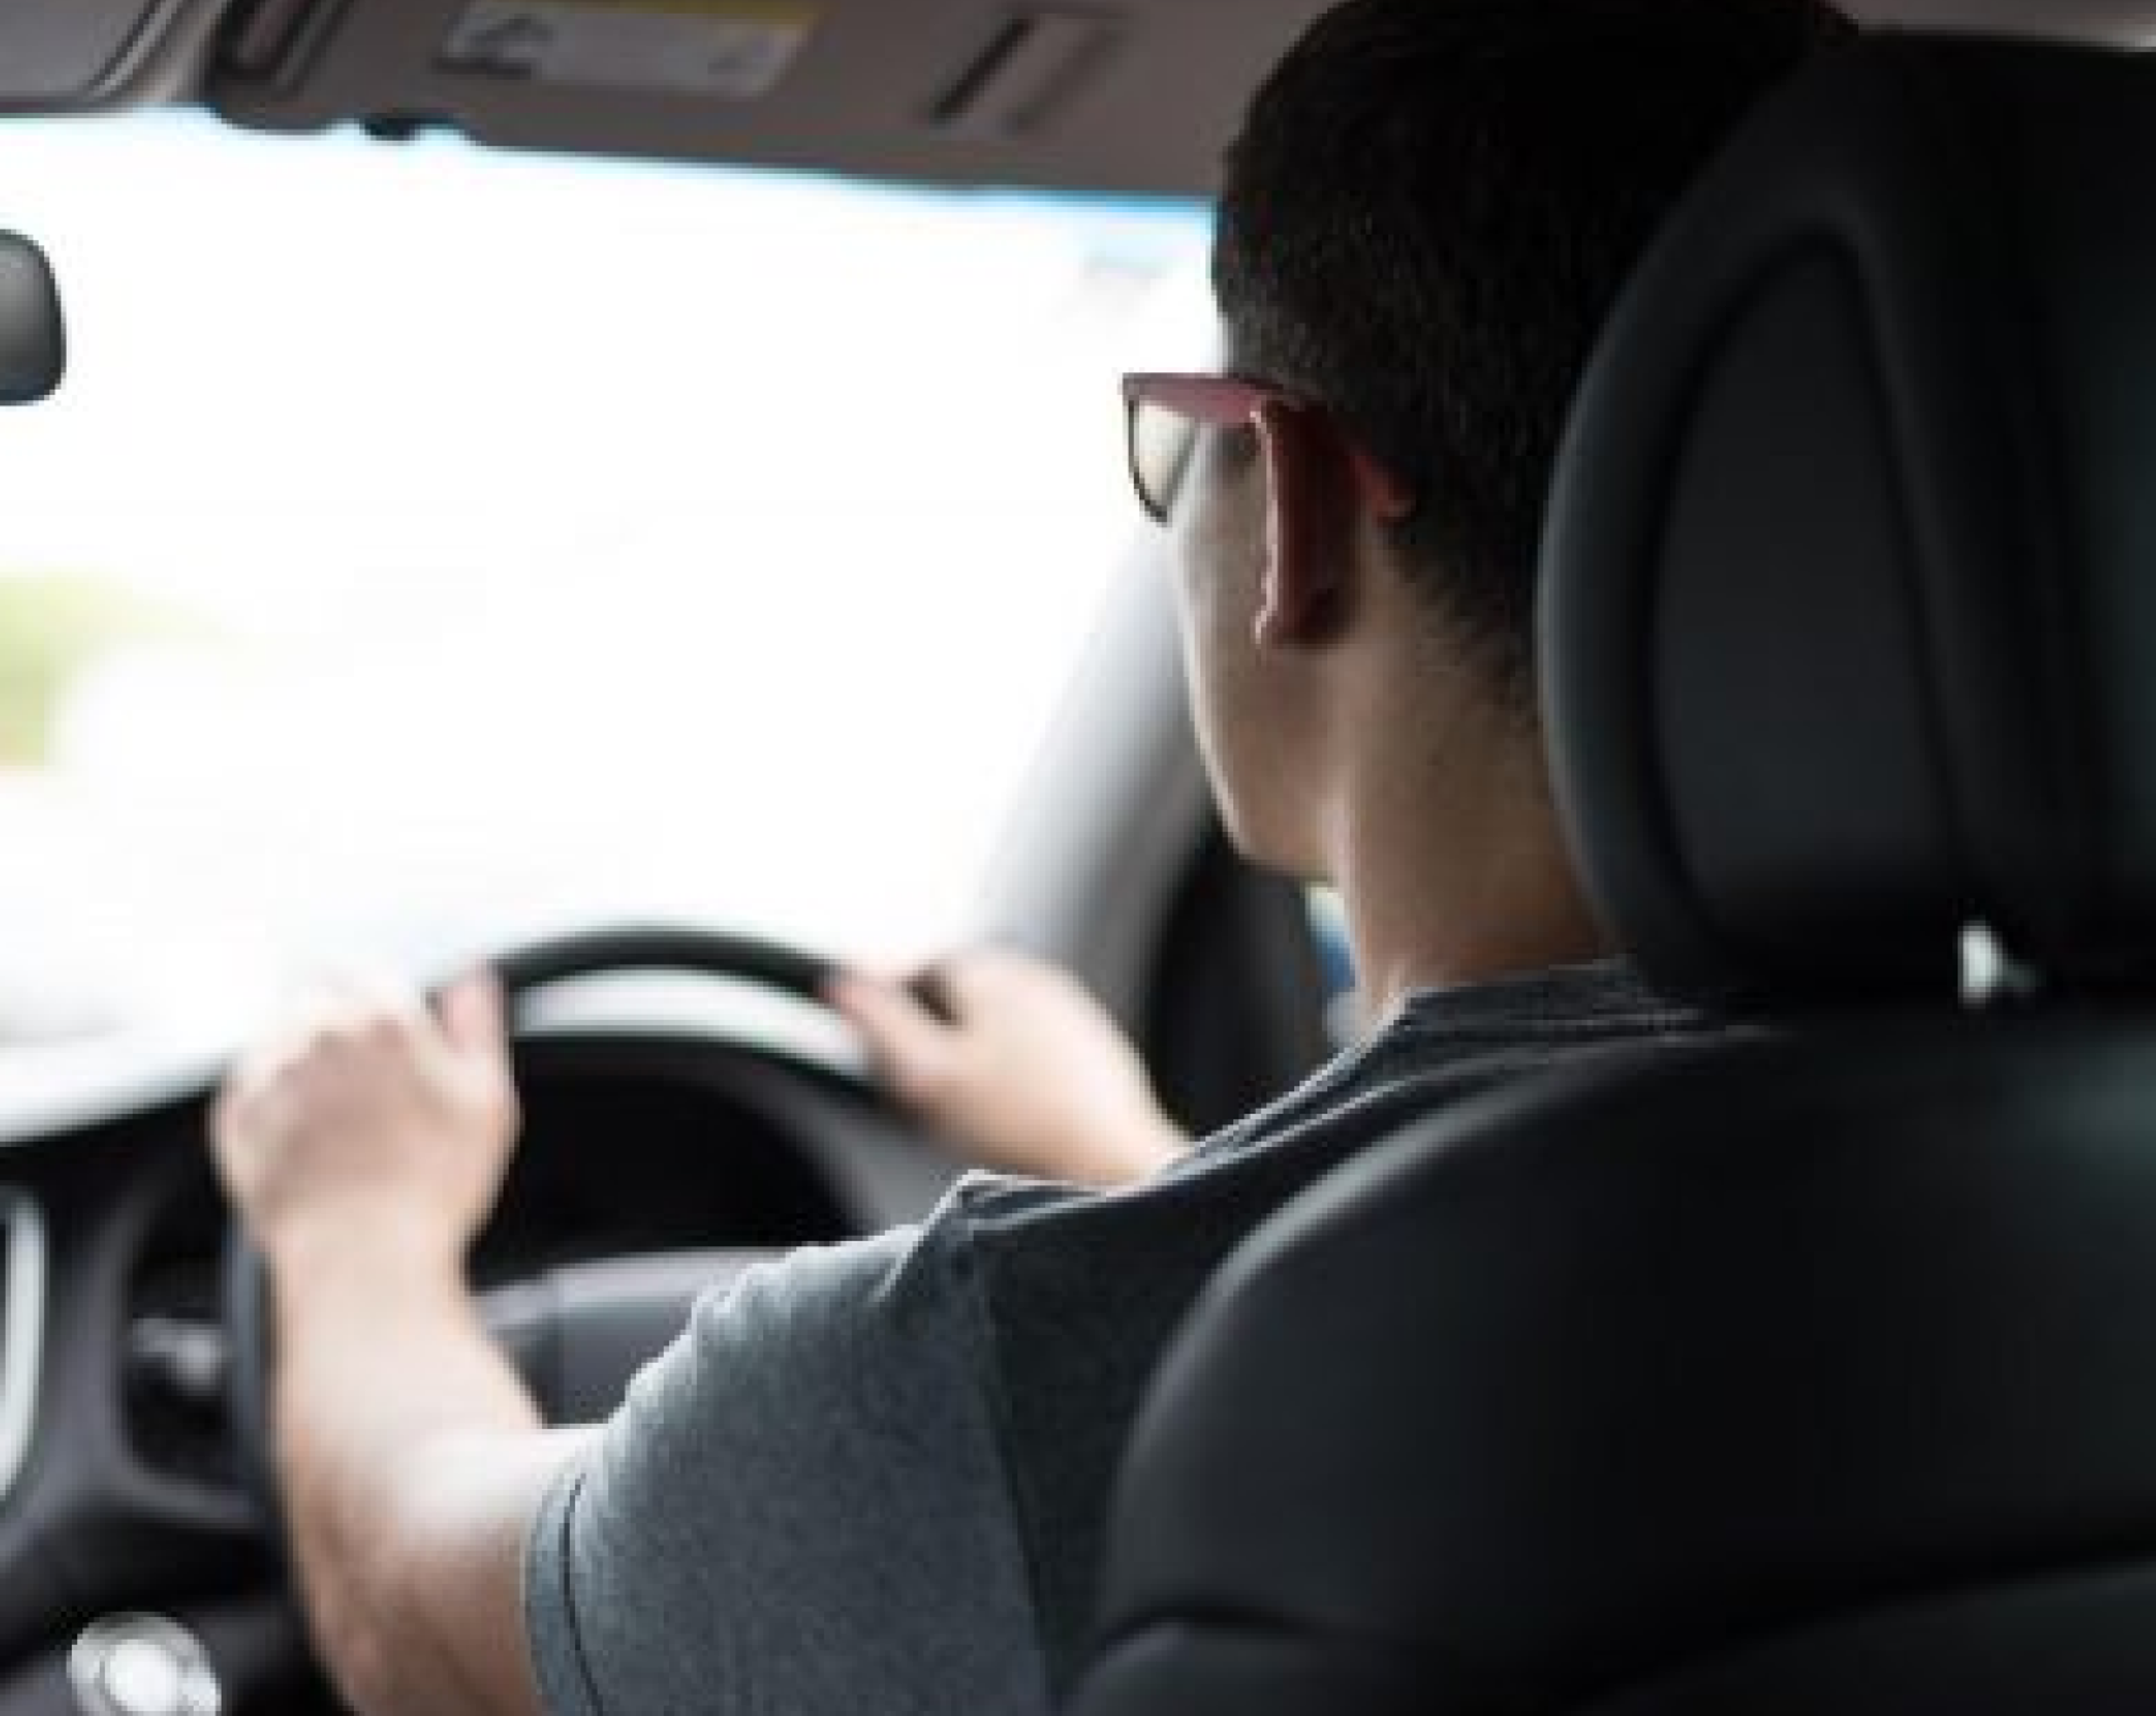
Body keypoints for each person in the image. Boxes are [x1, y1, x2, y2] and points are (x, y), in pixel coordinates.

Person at [207, 1, 1855, 1711]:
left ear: (1287, 501)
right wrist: (1126, 1159)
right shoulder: (2104, 1196)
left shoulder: (980, 1375)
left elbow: (417, 1612)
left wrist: (358, 1233)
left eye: (1179, 433)